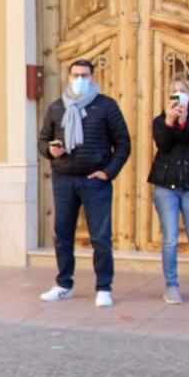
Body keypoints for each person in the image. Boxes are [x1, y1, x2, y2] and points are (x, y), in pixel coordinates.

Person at [37, 59, 131, 307]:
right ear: (68, 78)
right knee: (63, 235)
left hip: (94, 181)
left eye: (85, 75)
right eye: (76, 75)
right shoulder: (57, 108)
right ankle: (64, 284)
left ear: (92, 78)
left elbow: (123, 143)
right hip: (64, 179)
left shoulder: (106, 106)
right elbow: (43, 140)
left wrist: (108, 172)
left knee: (100, 237)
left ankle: (104, 287)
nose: (80, 79)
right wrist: (50, 150)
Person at [148, 75, 189, 305]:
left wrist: (185, 123)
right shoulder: (160, 121)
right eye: (173, 93)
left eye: (182, 92)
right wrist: (169, 122)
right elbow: (163, 144)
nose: (178, 97)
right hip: (165, 187)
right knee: (170, 240)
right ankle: (171, 287)